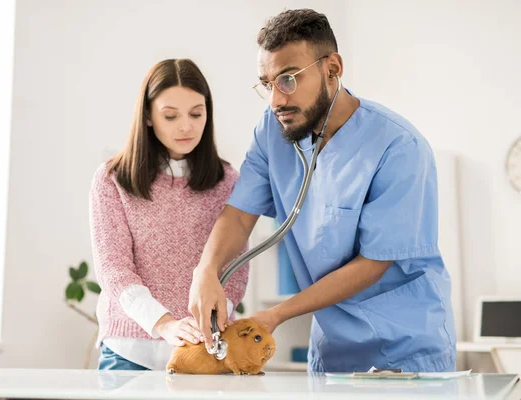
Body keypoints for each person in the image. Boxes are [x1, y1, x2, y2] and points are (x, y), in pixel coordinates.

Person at [188, 9, 456, 373]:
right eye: (267, 84)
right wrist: (205, 272)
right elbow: (238, 215)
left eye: (287, 79)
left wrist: (278, 314)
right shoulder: (273, 131)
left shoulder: (398, 147)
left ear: (332, 68)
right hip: (331, 352)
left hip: (404, 350)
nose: (275, 101)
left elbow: (373, 264)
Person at [89, 58, 248, 370]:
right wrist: (164, 325)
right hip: (129, 353)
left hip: (204, 351)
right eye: (171, 116)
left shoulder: (228, 180)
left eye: (196, 114)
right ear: (148, 116)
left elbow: (235, 270)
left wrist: (204, 326)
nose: (186, 126)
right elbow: (115, 271)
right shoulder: (112, 179)